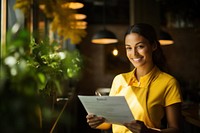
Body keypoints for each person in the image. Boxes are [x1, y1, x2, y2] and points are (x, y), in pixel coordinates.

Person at [86, 23, 183, 133]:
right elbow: (108, 125)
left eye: (140, 46)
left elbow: (176, 129)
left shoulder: (169, 83)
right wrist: (97, 122)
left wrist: (148, 132)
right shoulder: (119, 80)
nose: (134, 53)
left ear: (154, 46)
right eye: (129, 48)